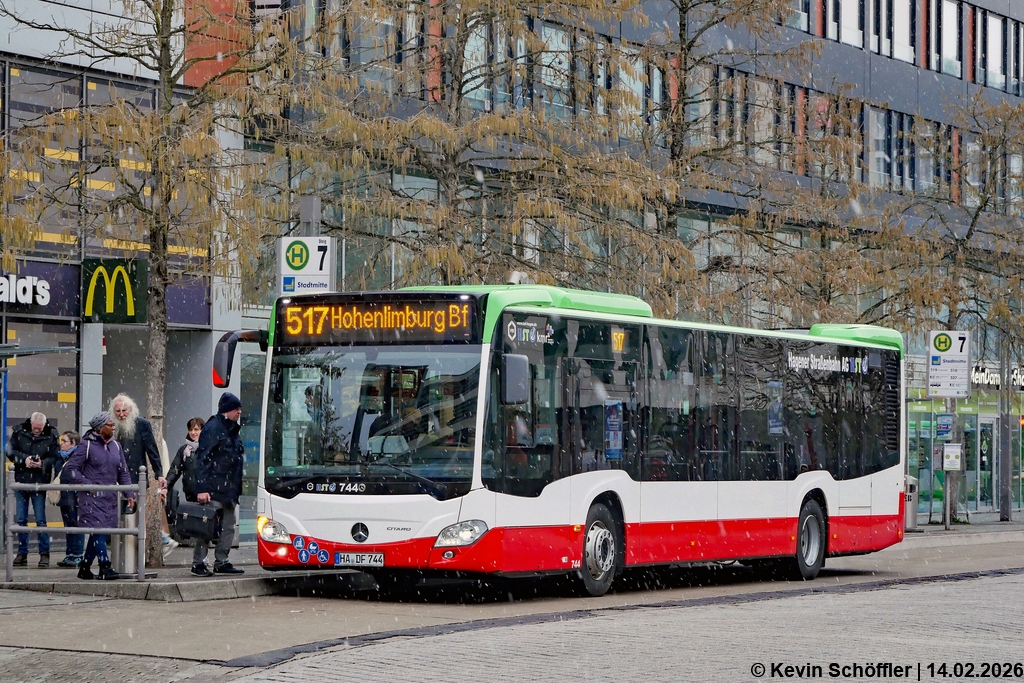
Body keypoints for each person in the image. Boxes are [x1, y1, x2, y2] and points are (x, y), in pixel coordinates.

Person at [60, 412, 136, 580]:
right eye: (110, 424)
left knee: (98, 532)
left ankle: (85, 567)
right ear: (100, 428)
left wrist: (129, 493)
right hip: (91, 498)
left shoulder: (116, 446)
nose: (114, 427)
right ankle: (105, 566)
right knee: (98, 530)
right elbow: (70, 469)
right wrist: (88, 484)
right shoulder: (86, 445)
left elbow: (123, 471)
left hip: (109, 498)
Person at [191, 392, 245, 577]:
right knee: (206, 527)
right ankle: (199, 562)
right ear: (226, 411)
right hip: (214, 488)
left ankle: (221, 561)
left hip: (228, 489)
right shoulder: (213, 428)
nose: (239, 412)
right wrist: (202, 488)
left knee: (229, 526)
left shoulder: (231, 429)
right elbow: (203, 459)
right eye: (236, 409)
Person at [5, 412, 60, 568]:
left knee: (40, 520)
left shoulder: (51, 434)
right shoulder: (19, 432)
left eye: (40, 428)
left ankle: (44, 554)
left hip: (39, 481)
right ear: (30, 423)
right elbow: (9, 451)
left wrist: (42, 463)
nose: (37, 431)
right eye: (35, 428)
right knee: (21, 519)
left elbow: (55, 457)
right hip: (22, 480)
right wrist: (25, 460)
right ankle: (22, 553)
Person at [164, 417, 205, 556]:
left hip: (206, 494)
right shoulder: (184, 450)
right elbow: (174, 470)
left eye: (196, 429)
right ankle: (199, 559)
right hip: (191, 493)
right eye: (191, 429)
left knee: (204, 527)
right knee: (196, 527)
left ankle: (201, 559)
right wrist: (166, 486)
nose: (193, 432)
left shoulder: (207, 447)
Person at [109, 393, 166, 489]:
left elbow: (152, 450)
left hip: (135, 474)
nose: (121, 414)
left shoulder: (142, 424)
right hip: (114, 476)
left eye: (124, 410)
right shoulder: (110, 425)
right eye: (117, 411)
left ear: (130, 410)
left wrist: (159, 473)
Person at [54, 431, 85, 568]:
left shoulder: (79, 456)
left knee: (76, 525)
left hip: (75, 495)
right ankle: (70, 554)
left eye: (65, 441)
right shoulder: (61, 457)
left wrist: (80, 494)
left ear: (73, 443)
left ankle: (77, 555)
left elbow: (80, 475)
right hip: (65, 495)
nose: (62, 443)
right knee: (68, 525)